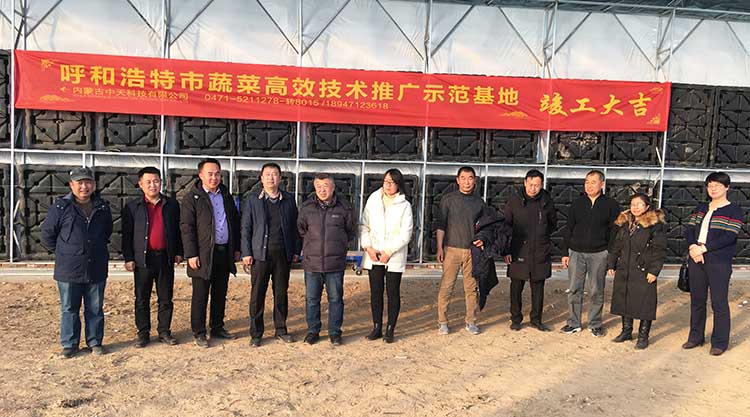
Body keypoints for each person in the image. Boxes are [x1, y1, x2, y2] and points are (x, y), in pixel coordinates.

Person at [41, 167, 113, 358]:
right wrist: (65, 252)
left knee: (95, 308)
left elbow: (107, 232)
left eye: (88, 182)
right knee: (69, 308)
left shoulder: (102, 207)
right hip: (69, 268)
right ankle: (70, 344)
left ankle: (95, 341)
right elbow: (47, 234)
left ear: (94, 185)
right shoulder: (61, 207)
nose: (84, 187)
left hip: (96, 266)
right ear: (71, 185)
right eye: (80, 183)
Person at [180, 158, 241, 348]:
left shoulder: (226, 195)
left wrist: (236, 248)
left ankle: (217, 327)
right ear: (200, 175)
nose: (214, 178)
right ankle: (199, 332)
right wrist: (191, 254)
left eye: (217, 174)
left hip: (224, 252)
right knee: (200, 295)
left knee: (220, 293)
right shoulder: (192, 198)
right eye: (210, 174)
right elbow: (187, 228)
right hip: (203, 254)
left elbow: (234, 222)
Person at [122, 166, 183, 348]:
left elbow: (178, 230)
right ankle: (143, 333)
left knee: (165, 298)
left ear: (161, 182)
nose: (152, 185)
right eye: (148, 182)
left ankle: (164, 331)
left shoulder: (171, 205)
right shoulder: (132, 207)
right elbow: (127, 235)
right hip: (143, 260)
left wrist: (178, 252)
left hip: (165, 257)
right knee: (142, 298)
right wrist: (129, 258)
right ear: (140, 184)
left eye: (156, 181)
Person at [683, 172, 743, 356]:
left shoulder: (734, 210)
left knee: (719, 302)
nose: (713, 188)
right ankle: (695, 337)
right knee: (697, 301)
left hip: (718, 261)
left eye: (717, 185)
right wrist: (693, 247)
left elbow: (729, 236)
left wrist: (704, 248)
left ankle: (719, 342)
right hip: (696, 259)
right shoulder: (701, 208)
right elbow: (689, 230)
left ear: (727, 187)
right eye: (710, 185)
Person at [241, 162, 301, 347]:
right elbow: (246, 227)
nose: (271, 178)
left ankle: (281, 329)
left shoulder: (288, 199)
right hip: (260, 255)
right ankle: (256, 333)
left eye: (274, 174)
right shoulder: (253, 199)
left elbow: (295, 227)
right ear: (261, 178)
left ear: (280, 178)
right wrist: (246, 252)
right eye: (267, 174)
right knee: (257, 295)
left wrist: (296, 250)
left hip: (282, 254)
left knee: (281, 293)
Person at [560, 170, 620, 337]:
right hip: (576, 252)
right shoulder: (577, 203)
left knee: (596, 289)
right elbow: (569, 228)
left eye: (593, 182)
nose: (589, 185)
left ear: (602, 184)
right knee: (574, 288)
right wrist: (565, 252)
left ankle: (595, 323)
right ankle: (573, 322)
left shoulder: (611, 205)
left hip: (599, 253)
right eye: (587, 182)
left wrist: (611, 254)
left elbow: (615, 232)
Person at [297, 173, 356, 346]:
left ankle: (335, 332)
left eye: (326, 186)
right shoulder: (307, 207)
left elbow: (351, 231)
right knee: (312, 300)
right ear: (315, 188)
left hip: (335, 263)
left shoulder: (345, 207)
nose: (322, 190)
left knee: (335, 299)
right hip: (312, 263)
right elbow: (301, 230)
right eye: (319, 186)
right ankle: (313, 331)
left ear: (333, 187)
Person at [606, 193, 667, 349]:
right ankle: (626, 330)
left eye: (639, 204)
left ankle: (643, 336)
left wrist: (654, 271)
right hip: (625, 267)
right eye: (633, 204)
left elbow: (659, 250)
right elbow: (617, 244)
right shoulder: (625, 223)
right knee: (624, 298)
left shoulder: (654, 225)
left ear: (647, 206)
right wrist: (611, 263)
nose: (635, 207)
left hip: (643, 269)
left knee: (645, 302)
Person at [360, 168, 414, 343]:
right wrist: (368, 247)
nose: (388, 185)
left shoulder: (404, 205)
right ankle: (377, 326)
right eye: (385, 181)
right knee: (376, 292)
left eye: (392, 182)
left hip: (393, 256)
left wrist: (389, 251)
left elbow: (406, 233)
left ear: (399, 184)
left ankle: (390, 328)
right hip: (374, 254)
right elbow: (364, 225)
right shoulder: (373, 199)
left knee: (392, 292)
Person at [435, 166, 489, 336]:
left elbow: (486, 227)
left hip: (472, 251)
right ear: (457, 180)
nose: (467, 182)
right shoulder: (448, 200)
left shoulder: (479, 203)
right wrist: (439, 247)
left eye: (470, 178)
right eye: (463, 178)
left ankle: (471, 321)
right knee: (447, 286)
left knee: (471, 288)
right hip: (451, 249)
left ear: (475, 181)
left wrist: (482, 240)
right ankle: (443, 322)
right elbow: (441, 225)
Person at [503, 169, 557, 332]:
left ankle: (536, 319)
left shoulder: (547, 201)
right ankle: (516, 318)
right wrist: (507, 250)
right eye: (531, 184)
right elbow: (506, 226)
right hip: (518, 250)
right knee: (516, 287)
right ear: (525, 183)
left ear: (542, 185)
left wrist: (542, 237)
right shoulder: (514, 201)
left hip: (539, 250)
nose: (533, 188)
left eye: (537, 185)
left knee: (538, 287)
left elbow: (552, 224)